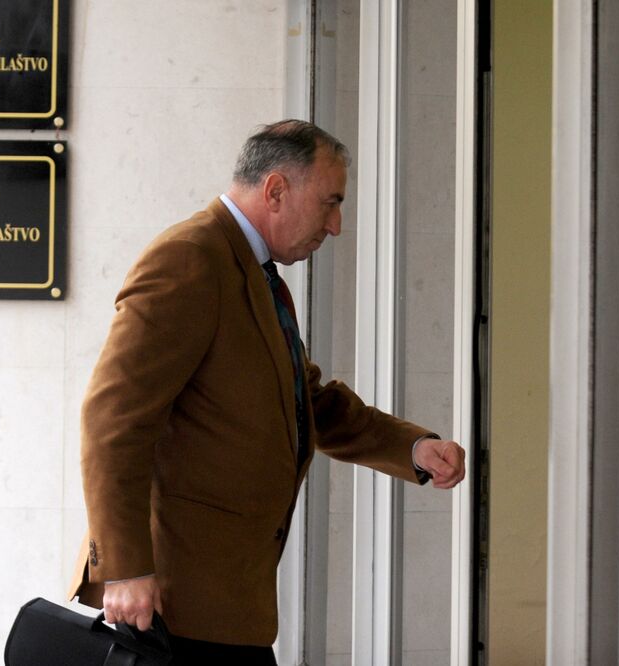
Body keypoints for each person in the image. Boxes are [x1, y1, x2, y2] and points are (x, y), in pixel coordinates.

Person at [68, 120, 466, 664]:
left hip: (227, 602)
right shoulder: (189, 258)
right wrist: (124, 568)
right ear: (276, 190)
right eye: (330, 203)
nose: (336, 225)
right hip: (170, 604)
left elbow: (306, 399)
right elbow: (112, 421)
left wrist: (413, 448)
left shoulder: (253, 271)